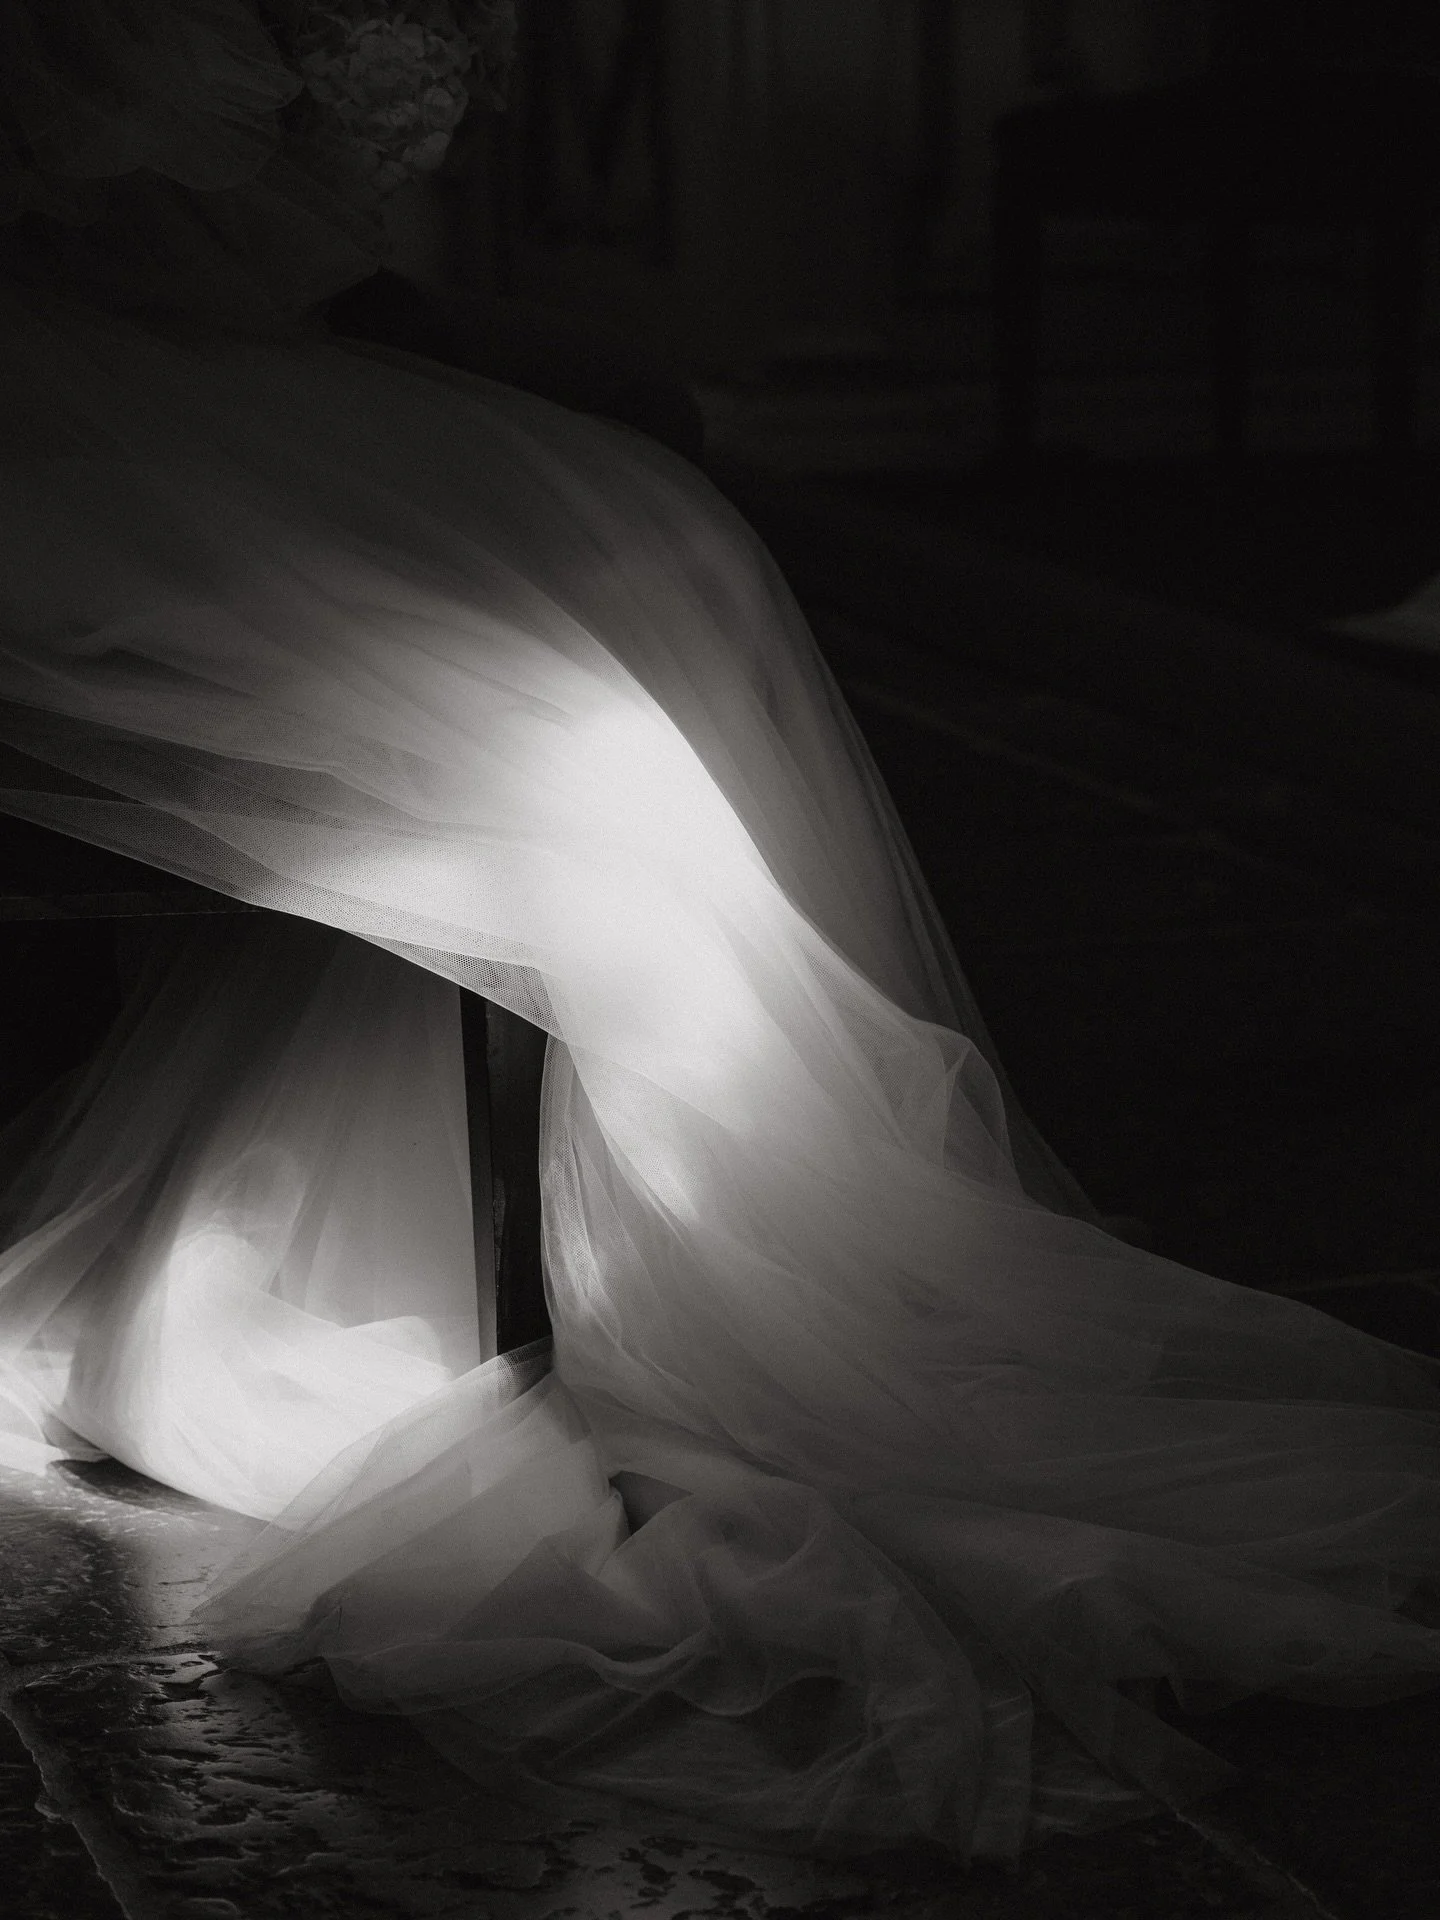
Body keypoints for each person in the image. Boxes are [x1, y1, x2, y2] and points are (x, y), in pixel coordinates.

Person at [1, 0, 1439, 1861]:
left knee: (649, 538)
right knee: (539, 666)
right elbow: (130, 192)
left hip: (122, 351)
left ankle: (676, 1207)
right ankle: (632, 1215)